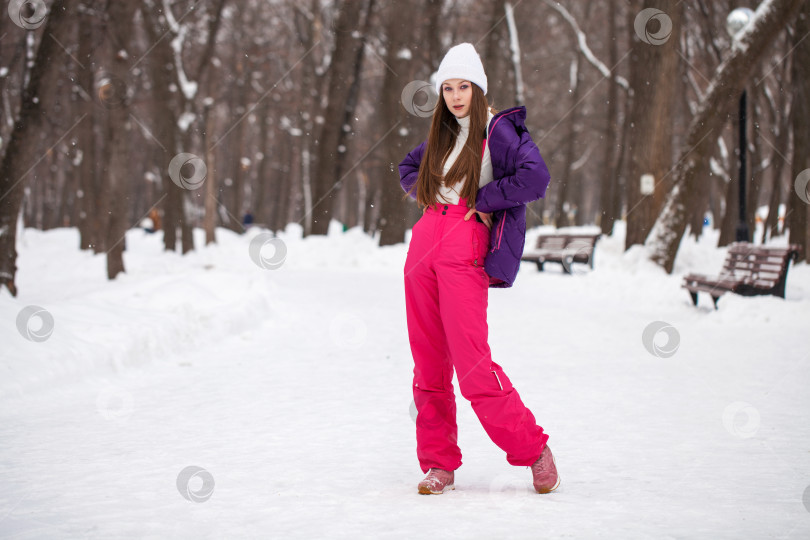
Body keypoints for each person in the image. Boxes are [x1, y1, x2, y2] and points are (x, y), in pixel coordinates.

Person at [398, 42, 558, 495]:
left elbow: (535, 178)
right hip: (424, 245)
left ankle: (534, 450)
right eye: (447, 88)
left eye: (463, 86)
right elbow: (407, 166)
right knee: (428, 366)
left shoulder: (497, 130)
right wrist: (425, 192)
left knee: (472, 366)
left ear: (479, 87)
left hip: (464, 246)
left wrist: (481, 201)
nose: (454, 96)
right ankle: (439, 464)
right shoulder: (444, 133)